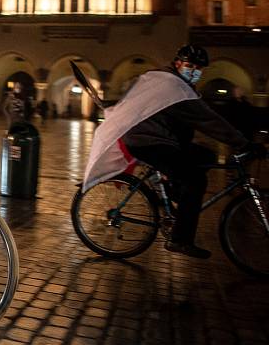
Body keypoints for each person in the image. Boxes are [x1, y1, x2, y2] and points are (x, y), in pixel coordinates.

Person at [85, 44, 258, 259]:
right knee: (195, 181)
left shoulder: (164, 79)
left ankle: (173, 190)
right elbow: (208, 120)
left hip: (158, 137)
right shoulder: (174, 87)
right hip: (148, 141)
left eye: (199, 68)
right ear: (178, 64)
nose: (194, 71)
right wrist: (244, 144)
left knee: (206, 156)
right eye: (190, 66)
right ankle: (180, 240)